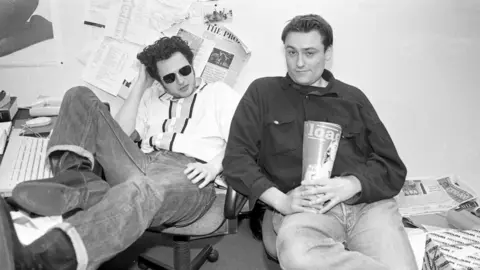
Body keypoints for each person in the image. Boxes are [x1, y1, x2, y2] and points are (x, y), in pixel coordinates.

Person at [0, 35, 240, 270]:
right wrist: (140, 86)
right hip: (145, 161)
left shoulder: (219, 93)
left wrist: (213, 166)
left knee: (142, 187)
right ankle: (78, 180)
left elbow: (241, 141)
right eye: (169, 77)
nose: (181, 81)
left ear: (192, 65)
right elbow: (121, 135)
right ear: (159, 80)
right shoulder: (152, 97)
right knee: (77, 95)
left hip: (191, 173)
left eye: (185, 71)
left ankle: (46, 259)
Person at [223, 14, 417, 270]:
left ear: (328, 53)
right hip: (304, 208)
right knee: (298, 255)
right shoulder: (262, 93)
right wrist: (282, 202)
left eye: (310, 53)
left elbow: (392, 167)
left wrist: (351, 184)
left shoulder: (353, 98)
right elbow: (236, 160)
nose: (299, 63)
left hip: (368, 206)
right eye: (291, 52)